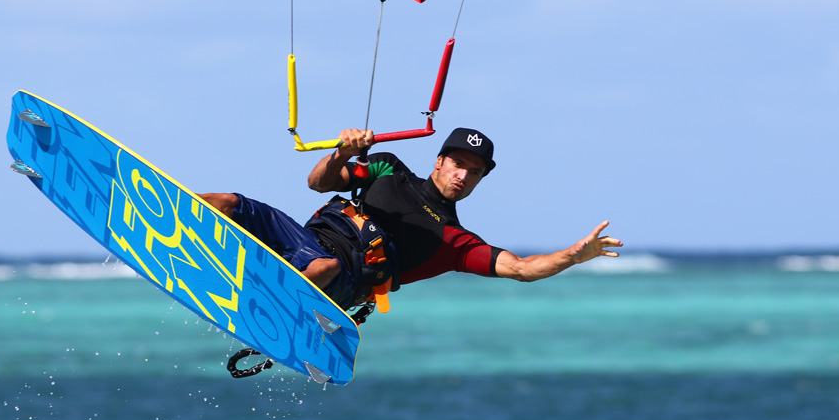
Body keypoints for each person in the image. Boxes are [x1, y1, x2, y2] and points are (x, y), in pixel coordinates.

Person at [200, 126, 622, 315]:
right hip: (304, 240)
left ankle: (262, 300)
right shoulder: (387, 168)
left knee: (323, 268)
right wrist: (343, 153)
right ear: (439, 161)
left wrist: (572, 256)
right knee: (226, 201)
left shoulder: (455, 241)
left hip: (338, 280)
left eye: (474, 171)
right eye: (457, 163)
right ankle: (145, 212)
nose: (462, 175)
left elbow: (521, 269)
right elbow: (317, 182)